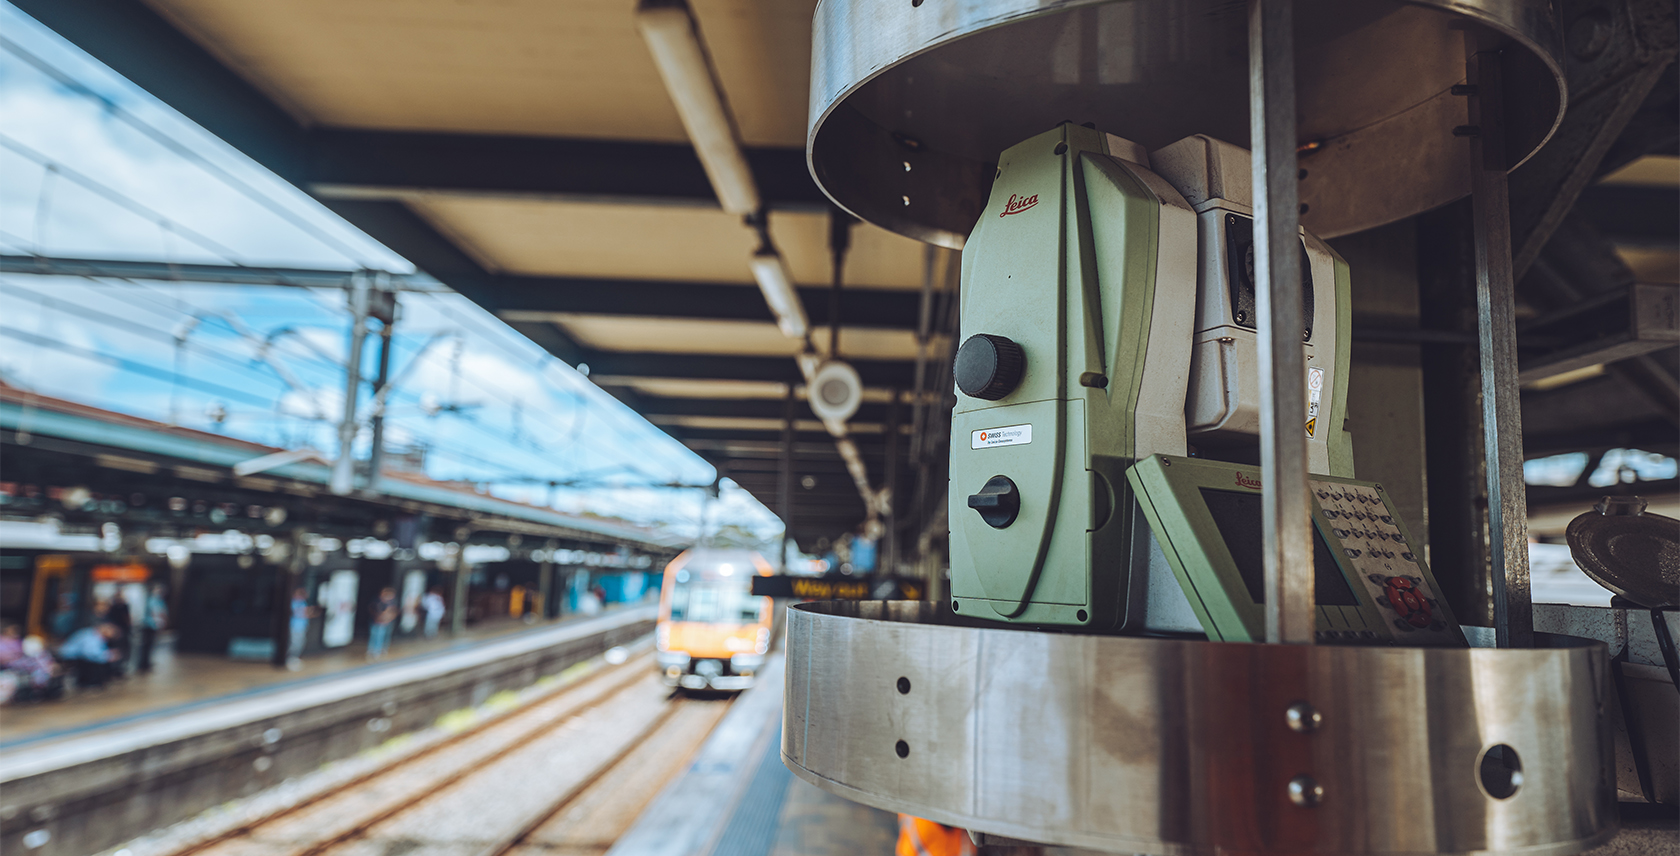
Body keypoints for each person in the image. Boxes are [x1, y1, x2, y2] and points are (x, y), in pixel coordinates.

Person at [60, 623, 119, 689]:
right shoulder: (92, 636)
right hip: (70, 656)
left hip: (77, 655)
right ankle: (89, 682)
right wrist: (107, 657)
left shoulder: (95, 634)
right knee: (95, 662)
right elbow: (89, 653)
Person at [8, 636, 64, 702]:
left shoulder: (44, 655)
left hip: (43, 677)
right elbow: (16, 664)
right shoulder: (25, 658)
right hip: (34, 678)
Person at [137, 584, 168, 673]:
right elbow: (156, 612)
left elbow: (163, 613)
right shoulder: (151, 600)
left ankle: (146, 663)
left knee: (151, 645)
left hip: (154, 625)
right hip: (148, 625)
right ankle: (143, 664)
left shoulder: (159, 601)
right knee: (146, 645)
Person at [287, 588, 316, 670]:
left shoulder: (303, 603)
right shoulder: (293, 603)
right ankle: (291, 659)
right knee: (294, 643)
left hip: (302, 626)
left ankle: (295, 658)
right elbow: (298, 613)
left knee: (300, 643)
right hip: (295, 626)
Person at [367, 587, 398, 660]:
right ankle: (373, 651)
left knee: (384, 636)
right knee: (375, 636)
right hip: (377, 622)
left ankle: (381, 650)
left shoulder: (392, 602)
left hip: (387, 622)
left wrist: (390, 617)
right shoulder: (377, 601)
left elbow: (395, 611)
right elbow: (372, 610)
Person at [106, 595, 133, 677]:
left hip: (119, 631)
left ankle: (117, 668)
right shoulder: (116, 608)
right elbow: (127, 619)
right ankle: (116, 669)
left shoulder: (120, 607)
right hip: (116, 632)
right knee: (118, 650)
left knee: (120, 650)